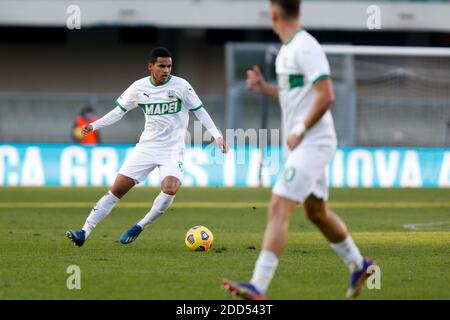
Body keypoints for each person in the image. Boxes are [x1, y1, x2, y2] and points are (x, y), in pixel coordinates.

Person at [222, 0, 374, 300]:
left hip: (313, 141)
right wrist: (264, 87)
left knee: (278, 205)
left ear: (274, 14)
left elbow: (326, 95)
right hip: (301, 144)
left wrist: (300, 130)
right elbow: (294, 94)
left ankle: (258, 285)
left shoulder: (306, 47)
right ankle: (359, 265)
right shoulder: (287, 51)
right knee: (316, 212)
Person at [66, 47, 228, 247]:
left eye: (169, 66)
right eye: (161, 66)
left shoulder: (181, 86)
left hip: (172, 150)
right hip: (146, 148)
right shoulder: (138, 87)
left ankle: (139, 226)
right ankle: (84, 232)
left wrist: (217, 136)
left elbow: (200, 111)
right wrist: (94, 125)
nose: (166, 70)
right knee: (117, 189)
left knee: (170, 188)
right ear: (150, 67)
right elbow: (118, 112)